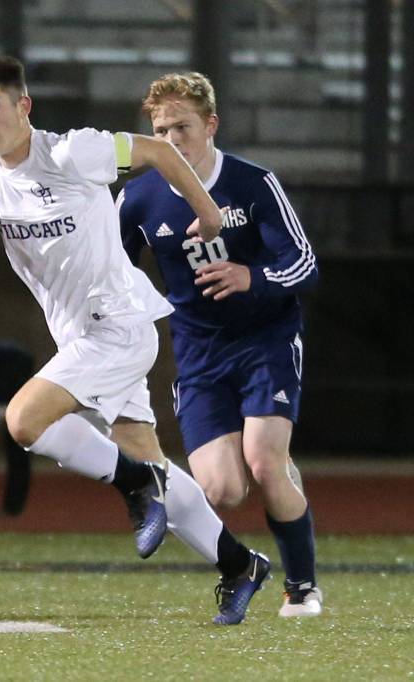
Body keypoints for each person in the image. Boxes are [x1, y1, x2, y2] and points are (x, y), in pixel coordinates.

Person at [0, 55, 269, 625]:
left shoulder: (74, 152)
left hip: (120, 325)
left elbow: (160, 152)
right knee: (148, 455)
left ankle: (137, 482)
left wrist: (209, 212)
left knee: (24, 421)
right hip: (80, 338)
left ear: (24, 106)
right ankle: (240, 564)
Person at [118, 72, 322, 618]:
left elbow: (304, 264)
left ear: (211, 125)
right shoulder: (138, 198)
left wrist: (251, 277)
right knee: (222, 488)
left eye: (182, 127)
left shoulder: (253, 184)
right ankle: (259, 537)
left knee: (263, 461)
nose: (171, 139)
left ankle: (302, 587)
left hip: (265, 341)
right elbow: (111, 270)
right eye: (161, 130)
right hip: (199, 353)